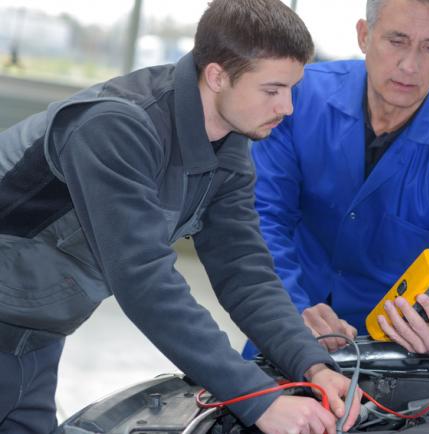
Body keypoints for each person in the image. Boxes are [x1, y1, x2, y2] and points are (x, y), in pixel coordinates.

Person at [0, 1, 361, 433]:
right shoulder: (117, 127)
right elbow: (145, 282)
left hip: (31, 332)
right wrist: (258, 400)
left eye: (292, 89)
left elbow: (245, 271)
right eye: (272, 90)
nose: (288, 108)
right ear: (217, 76)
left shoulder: (227, 148)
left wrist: (312, 364)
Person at [246, 0, 429, 369]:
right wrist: (292, 308)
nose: (410, 65)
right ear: (364, 36)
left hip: (393, 359)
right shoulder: (298, 102)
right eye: (397, 41)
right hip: (282, 327)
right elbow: (263, 219)